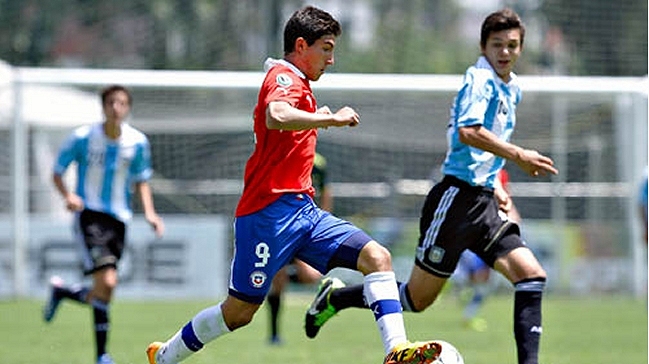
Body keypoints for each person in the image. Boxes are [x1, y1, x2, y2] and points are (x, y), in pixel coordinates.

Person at [145, 6, 439, 364]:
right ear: (301, 45)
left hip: (305, 211)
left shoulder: (301, 85)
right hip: (267, 215)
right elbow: (276, 114)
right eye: (326, 48)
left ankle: (396, 351)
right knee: (238, 313)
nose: (331, 60)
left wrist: (318, 117)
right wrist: (328, 119)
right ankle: (165, 356)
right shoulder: (283, 77)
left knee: (377, 258)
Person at [304, 8, 558, 364]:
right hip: (455, 201)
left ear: (521, 48)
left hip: (484, 202)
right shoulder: (479, 80)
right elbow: (468, 132)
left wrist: (495, 182)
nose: (504, 52)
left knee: (531, 276)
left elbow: (490, 138)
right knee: (416, 300)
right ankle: (335, 299)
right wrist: (518, 155)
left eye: (512, 45)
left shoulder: (510, 87)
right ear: (483, 46)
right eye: (496, 44)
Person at [44, 85, 165, 364]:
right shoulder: (83, 137)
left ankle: (62, 292)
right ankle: (101, 355)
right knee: (107, 282)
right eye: (111, 102)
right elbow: (57, 171)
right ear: (103, 106)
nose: (116, 107)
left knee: (104, 289)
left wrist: (150, 213)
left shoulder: (136, 142)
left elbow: (141, 180)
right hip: (90, 215)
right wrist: (68, 195)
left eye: (121, 103)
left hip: (119, 219)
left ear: (128, 108)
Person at [265, 152, 331, 345]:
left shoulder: (318, 162)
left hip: (306, 227)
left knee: (310, 277)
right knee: (278, 281)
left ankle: (330, 298)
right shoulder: (281, 158)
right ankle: (274, 334)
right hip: (281, 228)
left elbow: (326, 190)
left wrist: (324, 220)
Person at [451, 169, 520, 332]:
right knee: (481, 276)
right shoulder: (474, 167)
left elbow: (505, 197)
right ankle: (460, 289)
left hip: (491, 228)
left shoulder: (501, 172)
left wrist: (514, 215)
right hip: (477, 228)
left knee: (484, 278)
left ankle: (468, 309)